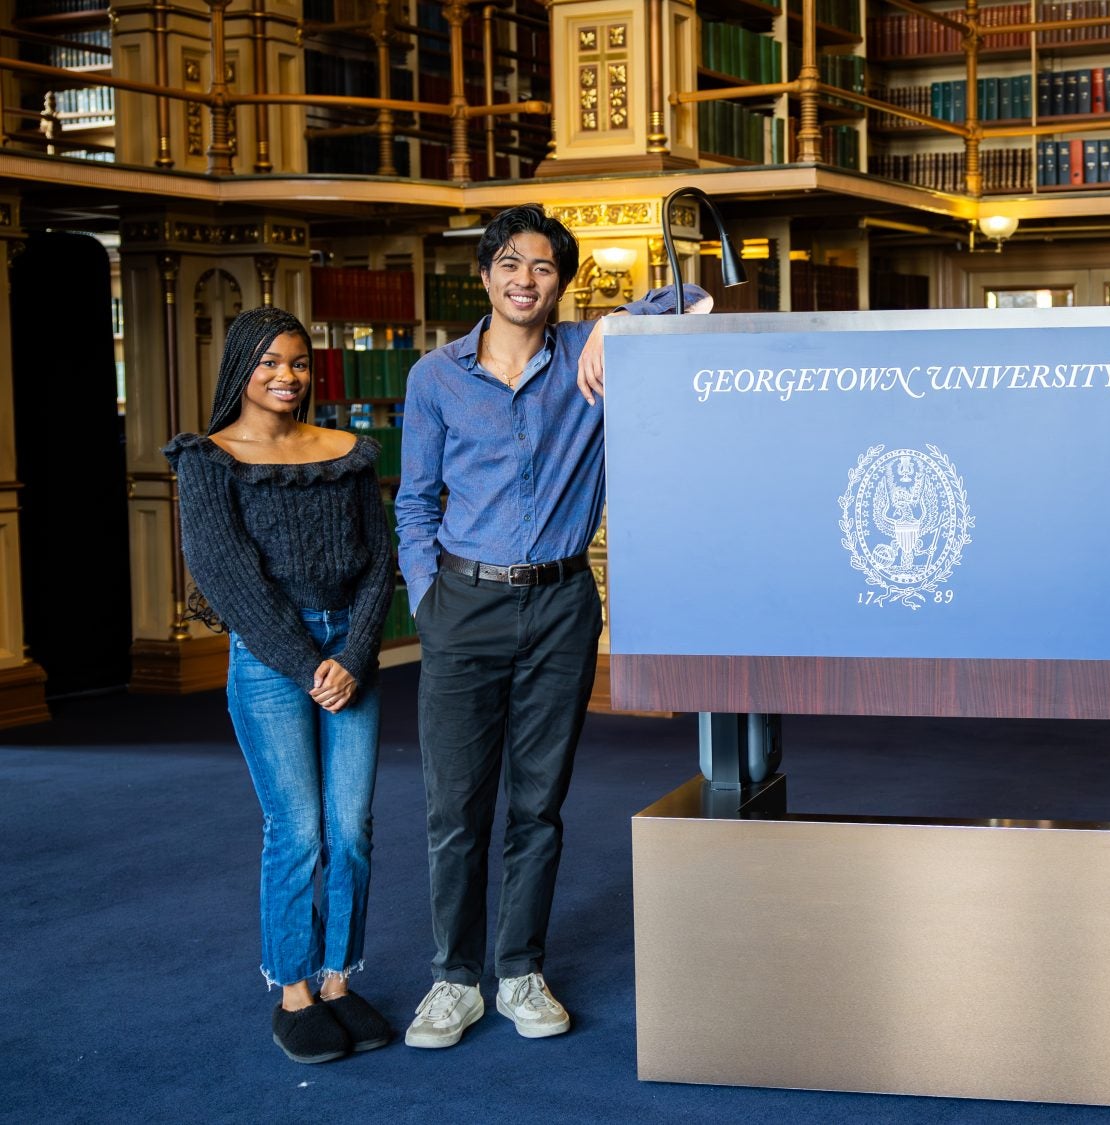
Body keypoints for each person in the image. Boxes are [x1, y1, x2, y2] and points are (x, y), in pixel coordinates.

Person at [395, 203, 710, 1049]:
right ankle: (453, 979)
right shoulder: (436, 377)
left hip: (562, 605)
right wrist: (429, 599)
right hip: (463, 605)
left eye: (540, 266)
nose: (523, 279)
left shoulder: (587, 355)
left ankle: (520, 970)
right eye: (508, 263)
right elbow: (414, 502)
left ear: (559, 282)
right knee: (454, 808)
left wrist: (614, 322)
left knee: (539, 803)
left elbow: (700, 297)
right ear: (485, 273)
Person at [164, 306, 396, 1064]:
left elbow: (378, 559)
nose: (285, 376)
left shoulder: (348, 452)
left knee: (352, 828)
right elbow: (230, 580)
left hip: (349, 653)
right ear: (241, 368)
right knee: (296, 829)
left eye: (297, 362)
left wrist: (355, 653)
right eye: (268, 362)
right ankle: (293, 991)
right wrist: (308, 664)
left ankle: (337, 979)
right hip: (271, 660)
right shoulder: (208, 458)